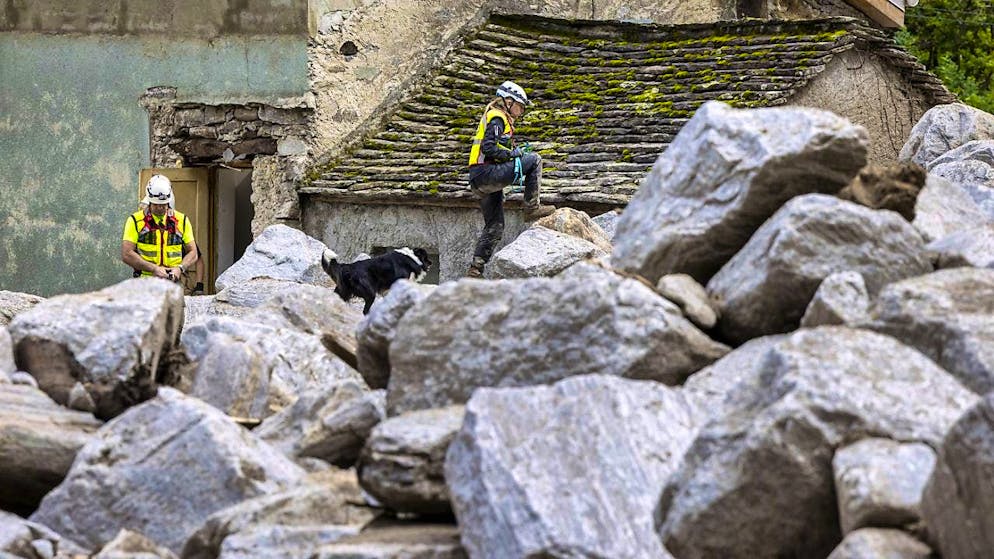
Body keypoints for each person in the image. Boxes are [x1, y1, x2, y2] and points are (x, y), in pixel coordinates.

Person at [466, 80, 555, 278]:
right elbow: (488, 148)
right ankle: (532, 207)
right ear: (508, 101)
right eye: (520, 106)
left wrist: (511, 153)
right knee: (535, 160)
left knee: (495, 226)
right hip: (487, 173)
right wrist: (514, 154)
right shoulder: (497, 118)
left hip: (479, 180)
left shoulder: (497, 118)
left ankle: (475, 269)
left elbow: (495, 149)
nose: (521, 111)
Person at [122, 174, 198, 287]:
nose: (160, 207)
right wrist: (154, 269)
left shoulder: (182, 220)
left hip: (173, 282)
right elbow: (127, 254)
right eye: (156, 204)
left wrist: (179, 268)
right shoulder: (135, 221)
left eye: (163, 204)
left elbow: (193, 253)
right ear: (149, 201)